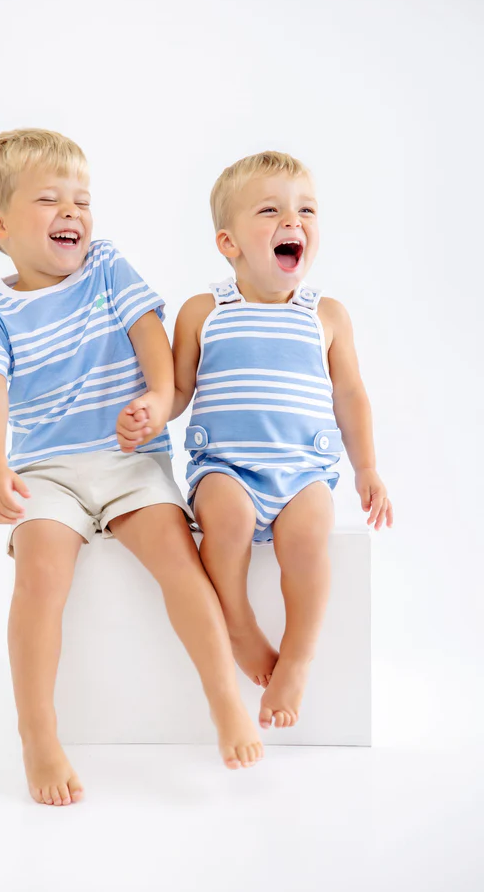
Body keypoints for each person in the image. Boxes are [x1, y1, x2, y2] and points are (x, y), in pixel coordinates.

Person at [0, 129, 263, 806]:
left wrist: (158, 399)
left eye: (82, 199)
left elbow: (147, 333)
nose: (73, 211)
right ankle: (38, 733)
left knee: (178, 561)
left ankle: (223, 697)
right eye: (50, 199)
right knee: (38, 577)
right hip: (46, 470)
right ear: (0, 224)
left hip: (130, 462)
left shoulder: (106, 266)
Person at [169, 151, 393, 731]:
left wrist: (366, 467)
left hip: (302, 474)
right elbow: (178, 389)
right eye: (270, 211)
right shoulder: (203, 311)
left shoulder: (327, 315)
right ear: (229, 242)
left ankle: (297, 657)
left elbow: (350, 395)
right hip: (226, 468)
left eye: (306, 210)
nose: (293, 220)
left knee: (310, 539)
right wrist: (149, 411)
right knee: (226, 520)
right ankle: (239, 625)